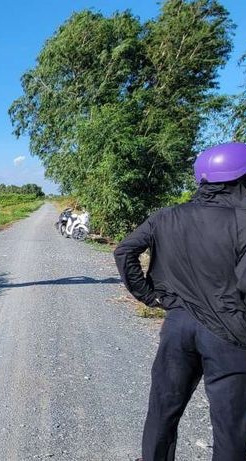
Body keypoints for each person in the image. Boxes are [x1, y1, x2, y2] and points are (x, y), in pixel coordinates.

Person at [114, 141, 246, 461]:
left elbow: (125, 250)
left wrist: (149, 296)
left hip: (177, 327)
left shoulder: (166, 216)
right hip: (230, 334)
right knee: (230, 426)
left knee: (163, 408)